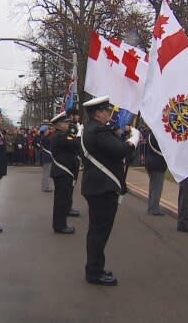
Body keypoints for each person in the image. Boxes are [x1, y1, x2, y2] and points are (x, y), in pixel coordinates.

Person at [80, 96, 139, 286]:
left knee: (97, 231)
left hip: (98, 186)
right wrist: (134, 140)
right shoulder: (98, 131)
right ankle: (94, 272)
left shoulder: (93, 130)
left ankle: (95, 268)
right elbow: (121, 150)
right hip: (102, 188)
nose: (109, 114)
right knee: (99, 232)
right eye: (107, 111)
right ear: (98, 113)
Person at [49, 112, 80, 234]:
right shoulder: (59, 136)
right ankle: (60, 226)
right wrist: (80, 134)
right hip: (62, 172)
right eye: (66, 122)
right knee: (61, 201)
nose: (68, 124)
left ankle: (60, 224)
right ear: (58, 124)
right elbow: (75, 143)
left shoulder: (62, 135)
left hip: (63, 172)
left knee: (63, 199)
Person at [144, 128, 167, 216]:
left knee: (152, 186)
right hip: (158, 164)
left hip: (149, 163)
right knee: (157, 188)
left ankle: (151, 206)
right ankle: (154, 208)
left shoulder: (150, 136)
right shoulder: (158, 137)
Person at [39, 125, 53, 192]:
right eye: (47, 130)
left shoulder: (43, 137)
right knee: (47, 173)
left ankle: (44, 187)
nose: (48, 131)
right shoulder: (45, 138)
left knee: (46, 173)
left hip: (45, 157)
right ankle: (45, 187)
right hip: (47, 157)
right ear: (45, 131)